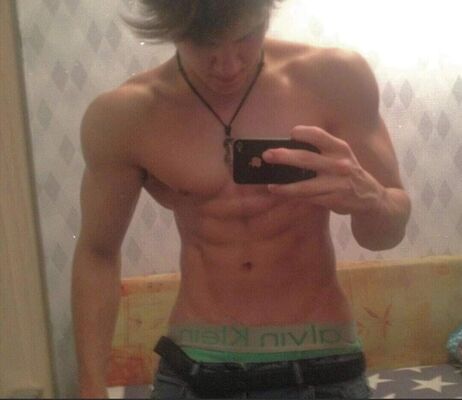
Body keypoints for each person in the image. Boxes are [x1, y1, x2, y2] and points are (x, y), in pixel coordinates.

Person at [71, 0, 411, 398]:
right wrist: (91, 386)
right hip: (195, 370)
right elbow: (97, 252)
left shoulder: (335, 79)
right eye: (205, 43)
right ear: (170, 28)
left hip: (321, 366)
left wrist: (372, 199)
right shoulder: (124, 115)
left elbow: (383, 237)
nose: (229, 65)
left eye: (247, 36)